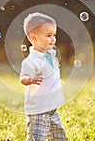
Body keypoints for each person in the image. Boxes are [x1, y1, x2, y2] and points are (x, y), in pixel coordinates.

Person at [20, 12, 67, 141]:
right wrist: (31, 80)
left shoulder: (50, 55)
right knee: (37, 137)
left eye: (54, 35)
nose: (53, 39)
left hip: (52, 107)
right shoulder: (31, 61)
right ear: (33, 38)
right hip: (38, 109)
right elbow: (23, 78)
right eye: (48, 35)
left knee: (59, 136)